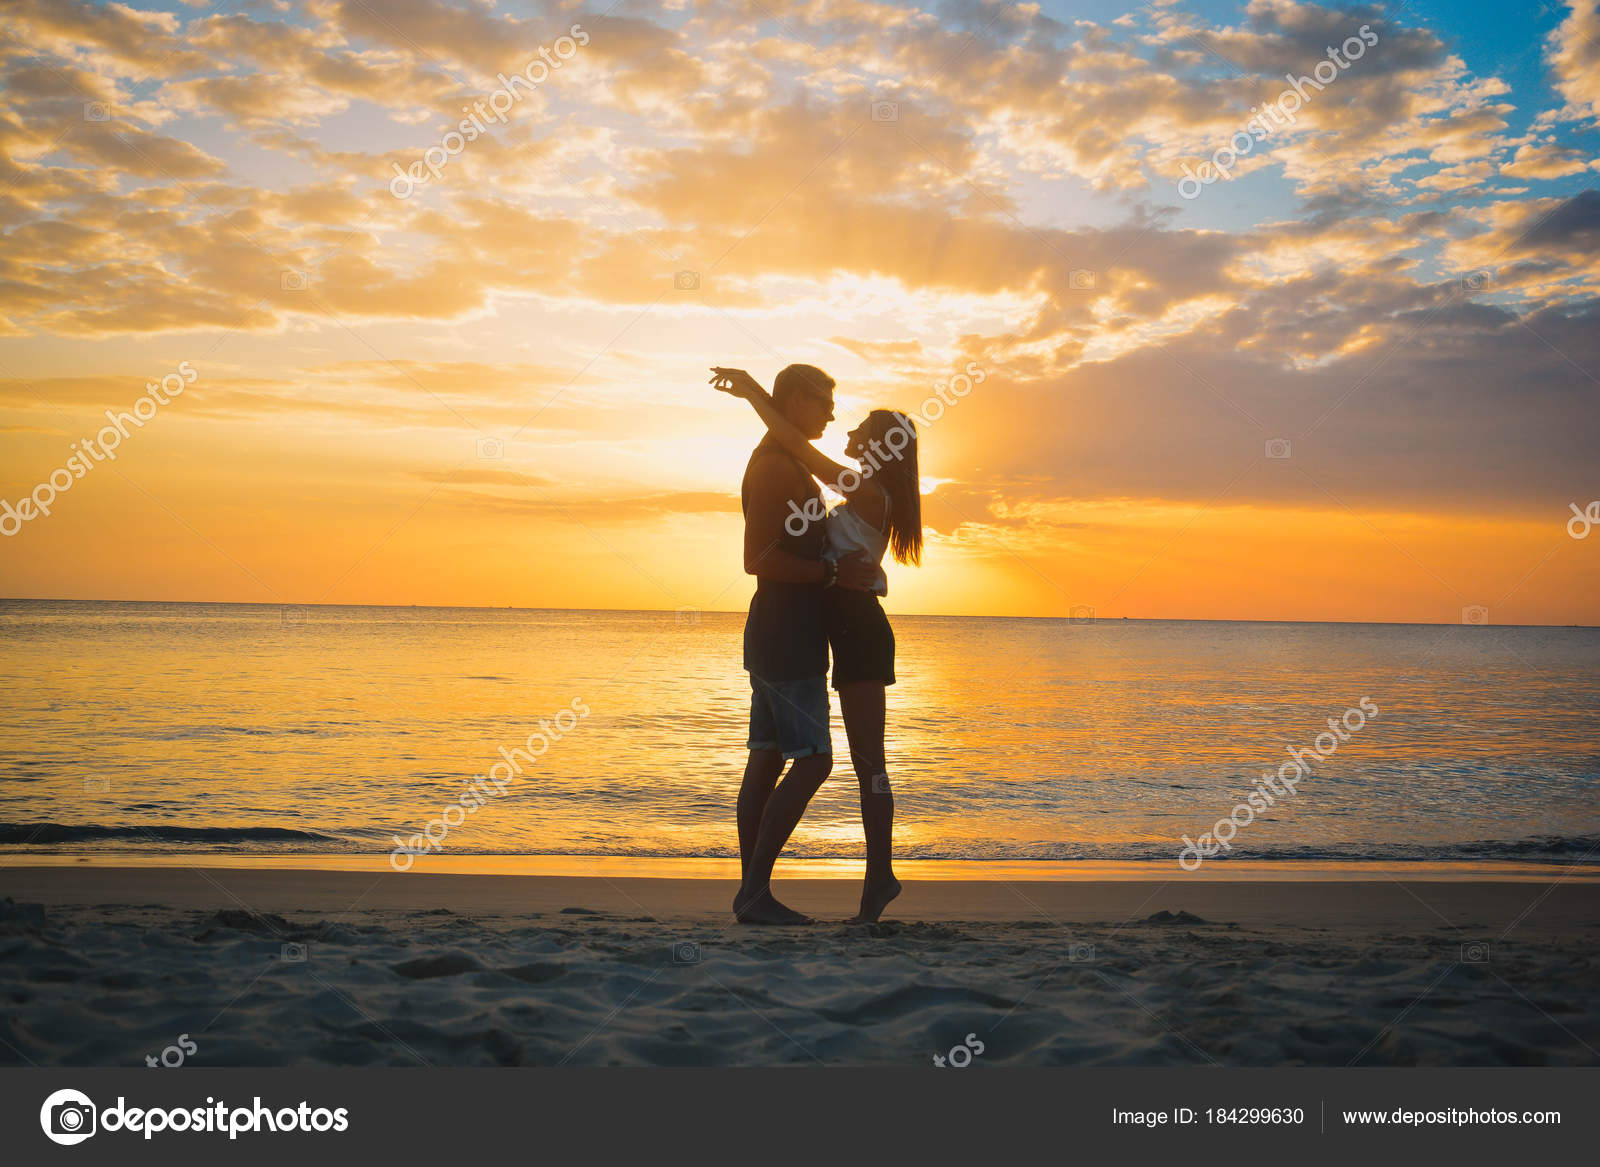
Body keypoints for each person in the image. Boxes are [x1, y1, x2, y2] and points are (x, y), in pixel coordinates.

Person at [712, 365, 923, 923]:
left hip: (857, 634)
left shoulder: (867, 489)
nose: (844, 430)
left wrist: (756, 394)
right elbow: (793, 452)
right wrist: (760, 394)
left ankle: (878, 876)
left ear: (880, 449)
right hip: (833, 627)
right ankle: (782, 888)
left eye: (859, 433)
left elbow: (799, 451)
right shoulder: (862, 488)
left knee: (866, 762)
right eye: (833, 412)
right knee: (837, 761)